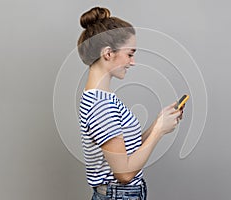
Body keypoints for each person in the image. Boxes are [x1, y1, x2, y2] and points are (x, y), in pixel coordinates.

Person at [77, 6, 185, 200]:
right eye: (129, 54)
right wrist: (159, 132)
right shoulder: (101, 105)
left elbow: (127, 151)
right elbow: (124, 173)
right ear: (108, 53)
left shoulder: (102, 97)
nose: (132, 62)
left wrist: (157, 124)